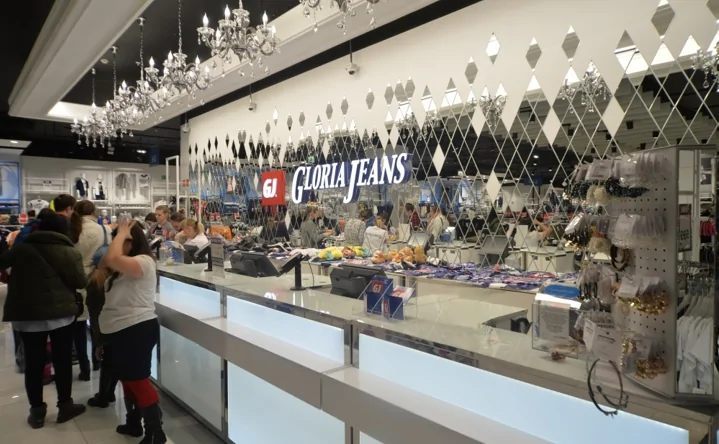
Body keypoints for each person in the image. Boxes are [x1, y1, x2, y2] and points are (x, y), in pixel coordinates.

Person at [1, 213, 88, 428]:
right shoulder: (69, 251)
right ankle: (65, 405)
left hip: (27, 314)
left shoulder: (21, 249)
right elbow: (80, 281)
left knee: (34, 363)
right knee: (62, 360)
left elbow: (3, 264)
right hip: (60, 314)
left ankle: (37, 412)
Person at [98, 221, 165, 442]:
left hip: (137, 329)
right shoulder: (122, 267)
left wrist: (123, 232)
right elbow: (105, 263)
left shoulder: (143, 262)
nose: (116, 245)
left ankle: (155, 431)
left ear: (132, 241)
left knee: (137, 379)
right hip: (119, 330)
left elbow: (111, 259)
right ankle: (133, 422)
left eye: (122, 240)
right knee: (127, 378)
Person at [68, 200, 109, 381]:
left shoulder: (71, 231)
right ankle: (98, 360)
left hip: (75, 279)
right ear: (94, 212)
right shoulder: (104, 230)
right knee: (97, 321)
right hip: (97, 279)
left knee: (78, 326)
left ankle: (84, 367)